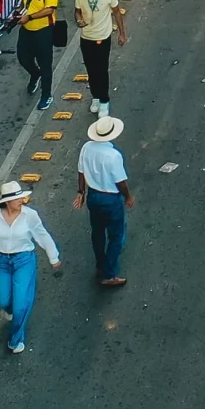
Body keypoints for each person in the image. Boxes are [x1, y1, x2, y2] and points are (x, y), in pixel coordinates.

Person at [0, 181, 62, 354]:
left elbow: (42, 235)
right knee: (2, 300)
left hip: (23, 261)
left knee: (21, 304)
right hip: (1, 261)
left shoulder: (30, 215)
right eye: (17, 199)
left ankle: (16, 340)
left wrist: (53, 257)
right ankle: (10, 311)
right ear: (7, 202)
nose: (22, 200)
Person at [73, 116, 134, 287]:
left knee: (97, 233)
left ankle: (100, 265)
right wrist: (128, 197)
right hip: (110, 199)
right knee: (117, 236)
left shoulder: (86, 147)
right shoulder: (113, 156)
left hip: (93, 196)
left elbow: (81, 171)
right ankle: (109, 273)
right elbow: (120, 182)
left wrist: (81, 192)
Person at [70, 0, 126, 117]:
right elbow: (77, 11)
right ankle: (95, 96)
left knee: (101, 70)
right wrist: (79, 20)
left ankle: (104, 100)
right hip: (86, 38)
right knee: (91, 70)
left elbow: (117, 12)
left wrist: (122, 33)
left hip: (102, 38)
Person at [15, 0, 62, 107]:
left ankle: (46, 95)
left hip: (43, 31)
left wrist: (29, 17)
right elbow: (25, 3)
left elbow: (49, 10)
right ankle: (35, 74)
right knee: (23, 58)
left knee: (45, 64)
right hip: (26, 30)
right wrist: (17, 12)